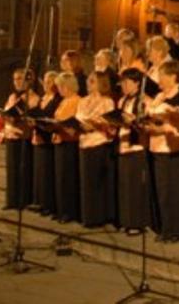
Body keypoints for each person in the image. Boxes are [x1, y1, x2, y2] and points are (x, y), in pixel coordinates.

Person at [145, 61, 179, 243]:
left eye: (162, 75)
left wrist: (164, 124)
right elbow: (151, 114)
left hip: (175, 147)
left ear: (172, 76)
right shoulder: (160, 96)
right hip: (157, 145)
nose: (159, 79)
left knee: (176, 189)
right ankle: (165, 227)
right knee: (162, 190)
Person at [76, 71, 117, 226]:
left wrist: (95, 124)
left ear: (101, 83)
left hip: (99, 142)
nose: (88, 84)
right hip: (84, 141)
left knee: (98, 182)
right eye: (88, 80)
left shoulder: (107, 102)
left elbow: (111, 123)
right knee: (87, 182)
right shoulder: (83, 101)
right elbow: (78, 118)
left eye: (92, 81)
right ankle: (88, 216)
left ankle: (100, 216)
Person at [115, 68, 151, 235]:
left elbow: (147, 125)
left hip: (137, 147)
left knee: (136, 187)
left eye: (126, 82)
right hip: (123, 145)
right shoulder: (123, 100)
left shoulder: (144, 100)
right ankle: (126, 220)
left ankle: (137, 222)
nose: (123, 85)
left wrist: (134, 121)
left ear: (137, 83)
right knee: (125, 186)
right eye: (122, 82)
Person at [1, 69, 40, 211]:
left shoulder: (33, 97)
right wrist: (5, 116)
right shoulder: (12, 96)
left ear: (29, 81)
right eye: (14, 79)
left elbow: (33, 118)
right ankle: (11, 200)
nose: (16, 82)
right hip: (11, 135)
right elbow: (6, 111)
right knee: (11, 169)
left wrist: (20, 118)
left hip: (24, 136)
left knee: (23, 169)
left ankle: (23, 200)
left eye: (19, 79)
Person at [51, 72, 81, 223]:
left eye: (60, 86)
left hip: (69, 142)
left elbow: (71, 122)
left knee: (67, 178)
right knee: (60, 178)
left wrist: (58, 124)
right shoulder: (64, 101)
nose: (58, 89)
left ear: (67, 86)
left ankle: (69, 211)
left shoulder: (76, 100)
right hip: (59, 140)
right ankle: (61, 209)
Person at [32, 71, 61, 216]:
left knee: (48, 173)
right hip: (38, 136)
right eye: (45, 81)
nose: (46, 84)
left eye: (50, 81)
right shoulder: (42, 98)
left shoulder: (57, 99)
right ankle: (41, 202)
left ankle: (49, 204)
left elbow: (50, 117)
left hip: (48, 138)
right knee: (40, 173)